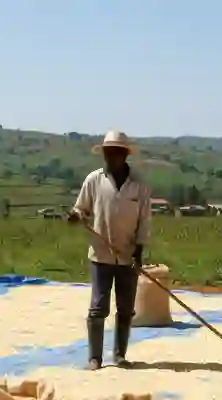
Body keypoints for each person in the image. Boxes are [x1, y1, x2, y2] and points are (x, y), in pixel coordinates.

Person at [67, 130, 153, 371]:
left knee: (126, 308)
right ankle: (95, 358)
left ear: (125, 155)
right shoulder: (93, 180)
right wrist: (76, 216)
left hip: (128, 256)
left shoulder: (139, 186)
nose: (111, 157)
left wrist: (138, 252)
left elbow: (144, 221)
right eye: (107, 152)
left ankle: (120, 355)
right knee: (98, 307)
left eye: (116, 152)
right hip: (101, 255)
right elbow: (81, 208)